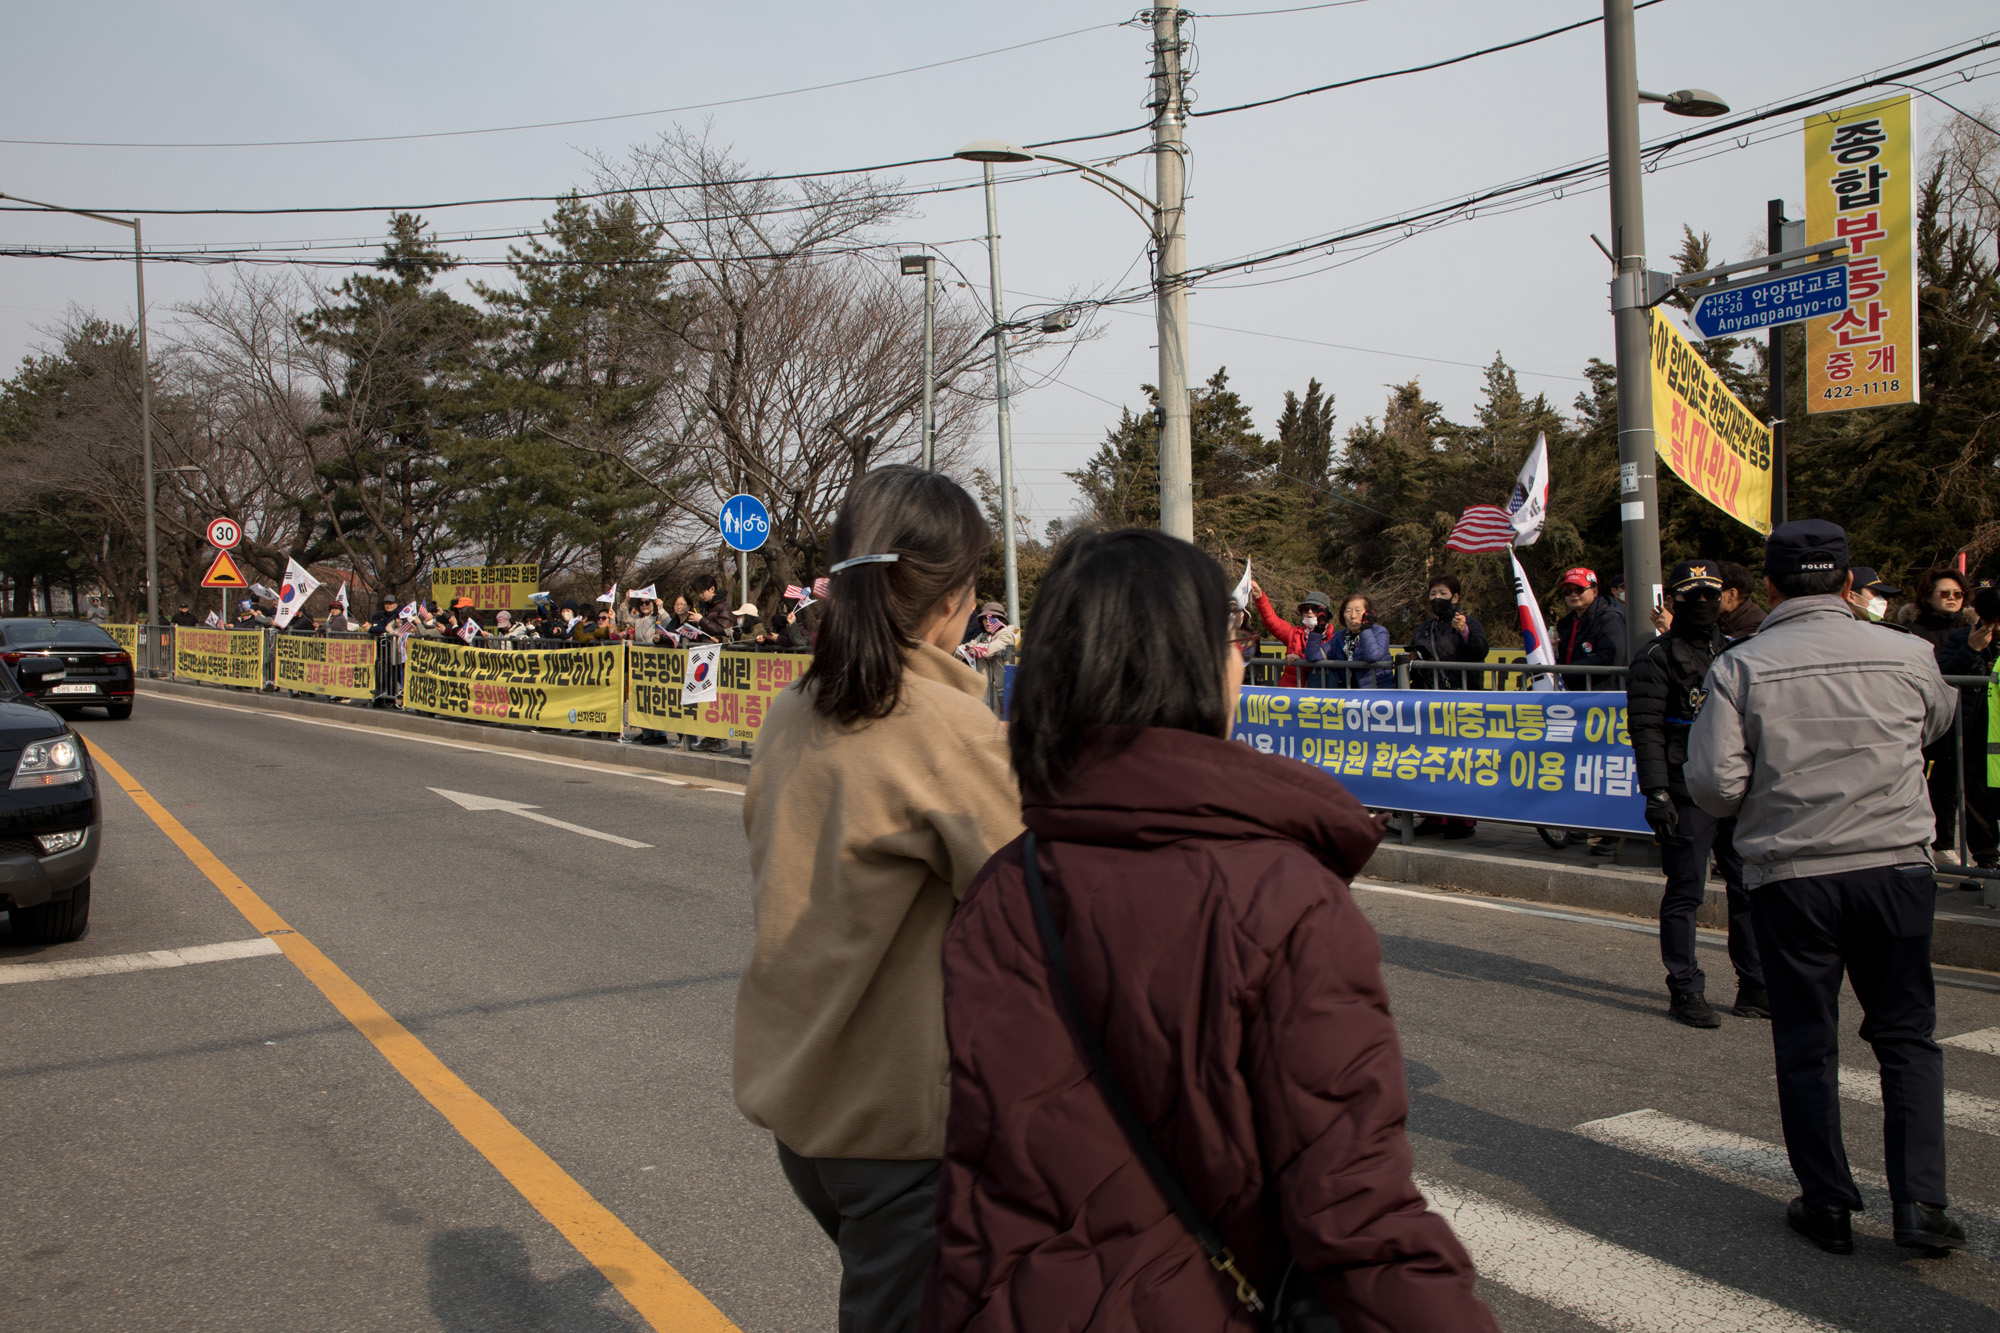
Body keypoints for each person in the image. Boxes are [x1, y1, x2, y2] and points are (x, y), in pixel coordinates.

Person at [924, 527, 1496, 1332]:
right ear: (1185, 664)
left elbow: (986, 1174)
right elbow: (1360, 1215)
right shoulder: (1284, 898)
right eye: (1229, 636)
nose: (1242, 658)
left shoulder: (1001, 887)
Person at [735, 466, 1021, 1333]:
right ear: (953, 599)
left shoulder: (793, 708)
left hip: (806, 1109)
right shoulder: (949, 729)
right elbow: (1043, 910)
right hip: (902, 1133)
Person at [1688, 519, 1965, 1257]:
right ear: (1848, 582)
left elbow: (1715, 786)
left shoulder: (1740, 666)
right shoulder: (1909, 652)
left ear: (1769, 585)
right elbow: (1936, 722)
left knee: (1807, 1042)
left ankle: (1828, 1202)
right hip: (1895, 867)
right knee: (1906, 1036)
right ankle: (1921, 1205)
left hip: (1793, 875)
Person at [1629, 559, 1766, 1029]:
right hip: (1684, 787)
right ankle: (1685, 987)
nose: (1704, 603)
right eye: (1693, 596)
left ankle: (1754, 984)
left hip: (1734, 786)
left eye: (1712, 594)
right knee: (1686, 890)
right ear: (1674, 601)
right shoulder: (1656, 657)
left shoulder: (1735, 651)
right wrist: (1656, 793)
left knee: (1747, 888)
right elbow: (1645, 728)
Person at [1936, 584, 2000, 874]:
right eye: (1992, 621)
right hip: (1974, 732)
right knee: (1977, 801)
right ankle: (1986, 862)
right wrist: (1972, 649)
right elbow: (1943, 676)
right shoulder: (1963, 637)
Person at [1406, 574, 1488, 690]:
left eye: (1443, 593)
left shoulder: (1470, 623)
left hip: (1461, 694)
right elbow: (1411, 671)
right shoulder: (1422, 629)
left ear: (1455, 598)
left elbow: (1480, 652)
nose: (1436, 597)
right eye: (1433, 594)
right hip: (1427, 694)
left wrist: (1464, 631)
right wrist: (1412, 660)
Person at [1554, 567, 1627, 690]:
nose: (1574, 594)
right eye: (1568, 591)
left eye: (1579, 589)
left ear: (1595, 591)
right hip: (1573, 692)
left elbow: (1611, 657)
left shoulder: (1609, 618)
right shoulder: (1566, 623)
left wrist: (1566, 672)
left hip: (1602, 694)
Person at [1249, 584, 1332, 686]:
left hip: (1319, 692)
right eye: (1306, 609)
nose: (1309, 612)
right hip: (1289, 692)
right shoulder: (1294, 633)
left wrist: (1300, 658)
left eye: (1315, 608)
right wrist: (1259, 597)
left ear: (1325, 614)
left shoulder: (1332, 638)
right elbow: (1272, 621)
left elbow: (1318, 658)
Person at [1328, 592, 1392, 688]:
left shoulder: (1379, 632)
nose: (1353, 616)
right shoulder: (1339, 636)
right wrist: (1317, 631)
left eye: (1358, 611)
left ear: (1368, 613)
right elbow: (1314, 656)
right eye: (1348, 611)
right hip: (1347, 692)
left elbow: (1372, 657)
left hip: (1376, 691)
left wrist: (1365, 628)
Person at [953, 601, 1017, 665]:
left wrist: (968, 650)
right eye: (985, 618)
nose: (987, 621)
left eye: (992, 618)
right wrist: (959, 652)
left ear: (1001, 620)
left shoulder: (1007, 634)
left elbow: (987, 650)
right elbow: (970, 644)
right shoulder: (984, 634)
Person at [1717, 561, 1766, 638]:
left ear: (1732, 594)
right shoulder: (1720, 616)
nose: (1704, 600)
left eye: (1710, 594)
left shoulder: (1756, 625)